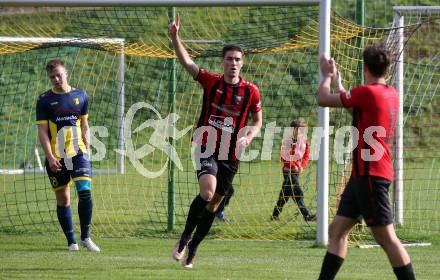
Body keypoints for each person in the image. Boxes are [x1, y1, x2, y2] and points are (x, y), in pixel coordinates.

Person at [168, 13, 263, 269]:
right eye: (230, 59)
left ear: (242, 64)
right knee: (207, 191)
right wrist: (175, 38)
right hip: (206, 145)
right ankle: (183, 239)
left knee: (213, 205)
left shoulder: (251, 91)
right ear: (223, 62)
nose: (233, 63)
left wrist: (250, 136)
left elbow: (258, 122)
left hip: (231, 154)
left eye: (238, 60)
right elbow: (187, 63)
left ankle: (193, 249)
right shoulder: (212, 82)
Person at [316, 44, 415, 279]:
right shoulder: (389, 92)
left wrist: (328, 76)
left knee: (386, 237)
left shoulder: (366, 92)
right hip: (365, 174)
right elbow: (359, 111)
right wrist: (341, 85)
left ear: (366, 67)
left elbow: (322, 99)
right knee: (337, 230)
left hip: (370, 175)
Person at [36, 59, 100, 252]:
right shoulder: (44, 100)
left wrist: (87, 149)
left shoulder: (81, 95)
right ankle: (71, 242)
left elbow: (85, 125)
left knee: (85, 191)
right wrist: (49, 157)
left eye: (59, 75)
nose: (56, 79)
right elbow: (42, 131)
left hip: (78, 152)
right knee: (64, 199)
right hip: (56, 156)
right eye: (52, 77)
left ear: (67, 73)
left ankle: (86, 238)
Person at [271, 117, 316, 222]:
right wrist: (293, 164)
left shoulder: (305, 142)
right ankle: (307, 216)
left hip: (297, 172)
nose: (300, 132)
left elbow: (306, 156)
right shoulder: (287, 141)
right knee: (298, 192)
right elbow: (283, 156)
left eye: (302, 129)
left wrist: (302, 166)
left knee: (285, 195)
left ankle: (274, 215)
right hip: (288, 171)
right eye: (297, 129)